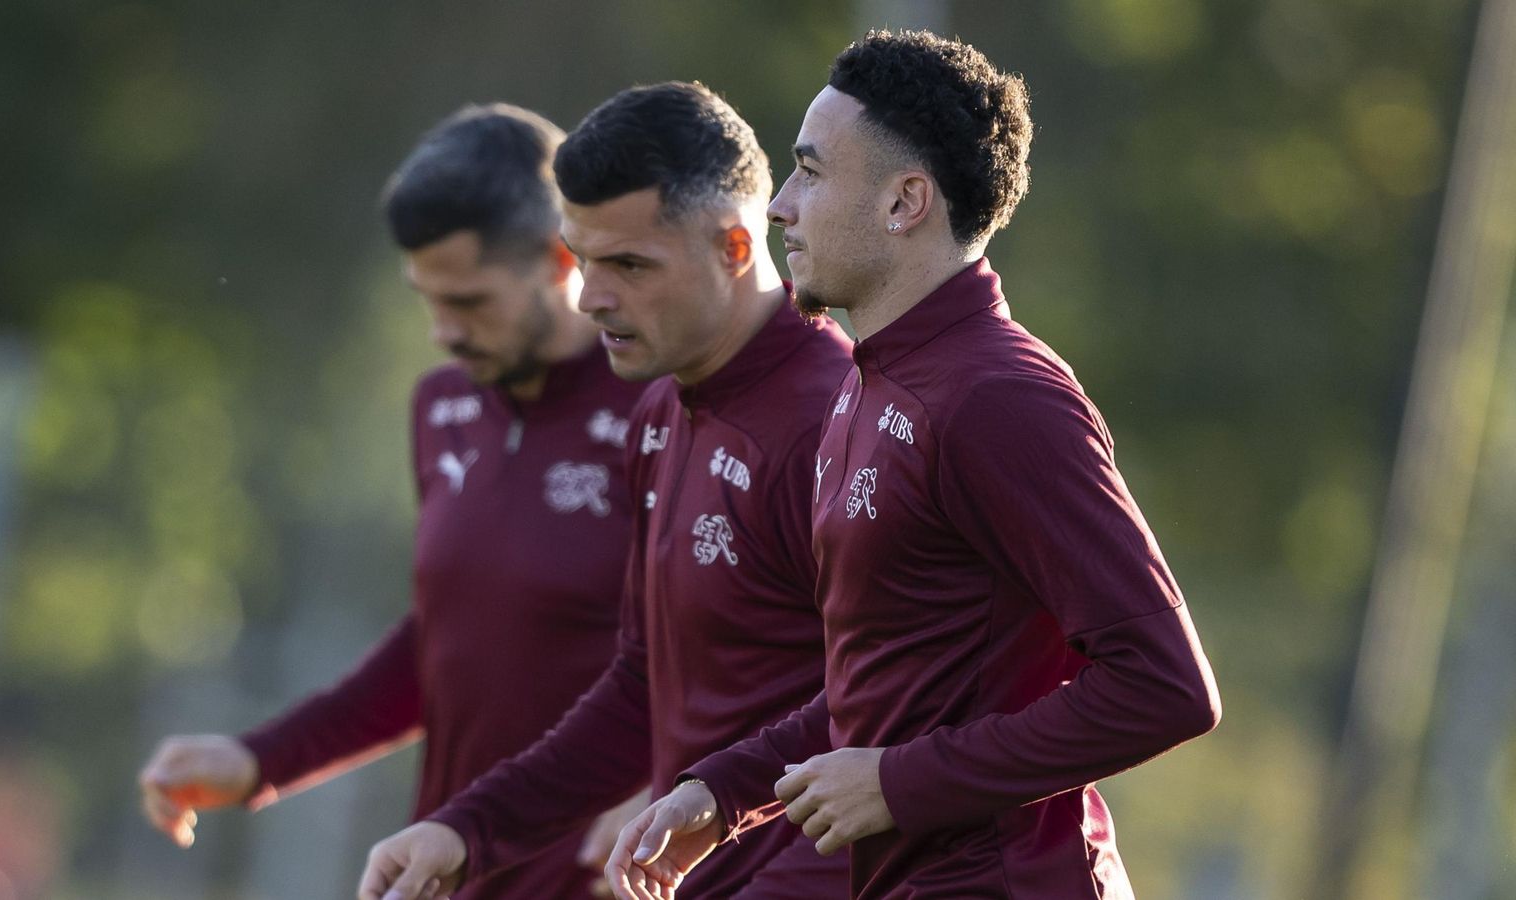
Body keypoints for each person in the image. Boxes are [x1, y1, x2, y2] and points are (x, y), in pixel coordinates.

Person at [609, 30, 1222, 900]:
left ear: (906, 202)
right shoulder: (866, 388)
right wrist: (725, 789)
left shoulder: (1000, 396)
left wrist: (901, 785)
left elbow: (1165, 686)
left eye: (811, 173)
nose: (779, 205)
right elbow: (894, 690)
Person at [136, 103, 650, 900]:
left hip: (611, 876)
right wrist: (262, 761)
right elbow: (443, 642)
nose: (444, 330)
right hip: (451, 865)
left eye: (471, 302)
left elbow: (749, 647)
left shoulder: (662, 408)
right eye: (427, 299)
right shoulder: (443, 406)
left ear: (559, 260)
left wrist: (682, 788)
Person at [354, 82, 855, 900]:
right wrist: (465, 830)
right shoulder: (659, 414)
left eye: (627, 264)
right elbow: (640, 685)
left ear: (734, 248)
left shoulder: (837, 423)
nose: (591, 297)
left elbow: (900, 708)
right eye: (582, 260)